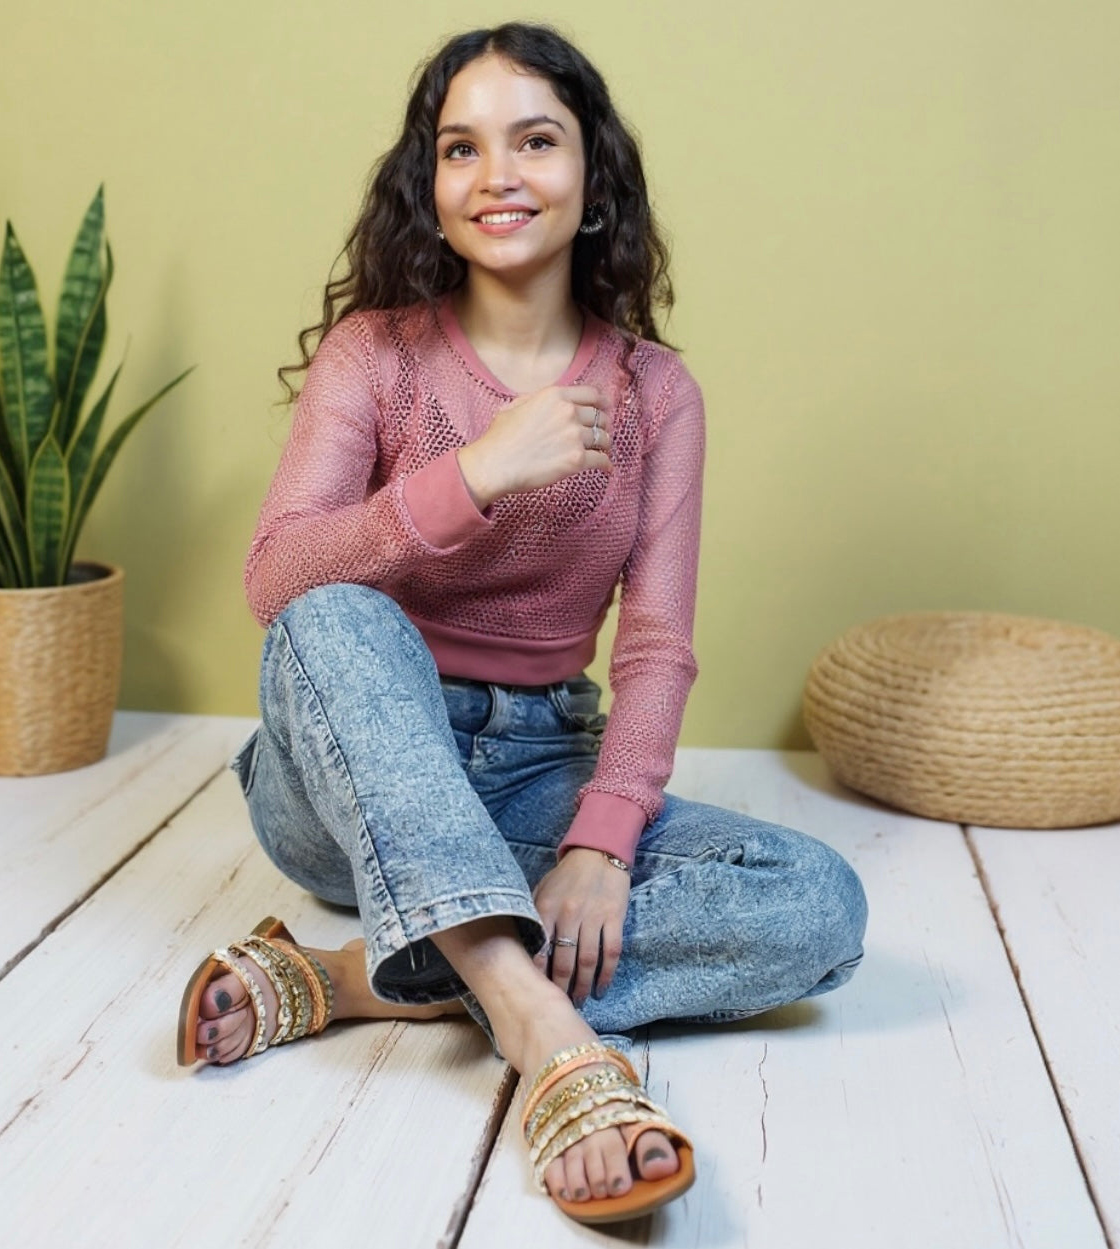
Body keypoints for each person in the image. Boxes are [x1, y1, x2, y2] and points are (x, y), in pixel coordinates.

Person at [177, 22, 867, 1225]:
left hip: (536, 767)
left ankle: (354, 977)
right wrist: (478, 472)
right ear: (429, 193)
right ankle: (539, 1023)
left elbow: (653, 642)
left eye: (534, 140)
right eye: (460, 149)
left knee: (816, 905)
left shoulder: (656, 395)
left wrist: (599, 843)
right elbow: (276, 579)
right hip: (341, 776)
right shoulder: (374, 357)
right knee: (332, 608)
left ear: (592, 180)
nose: (496, 174)